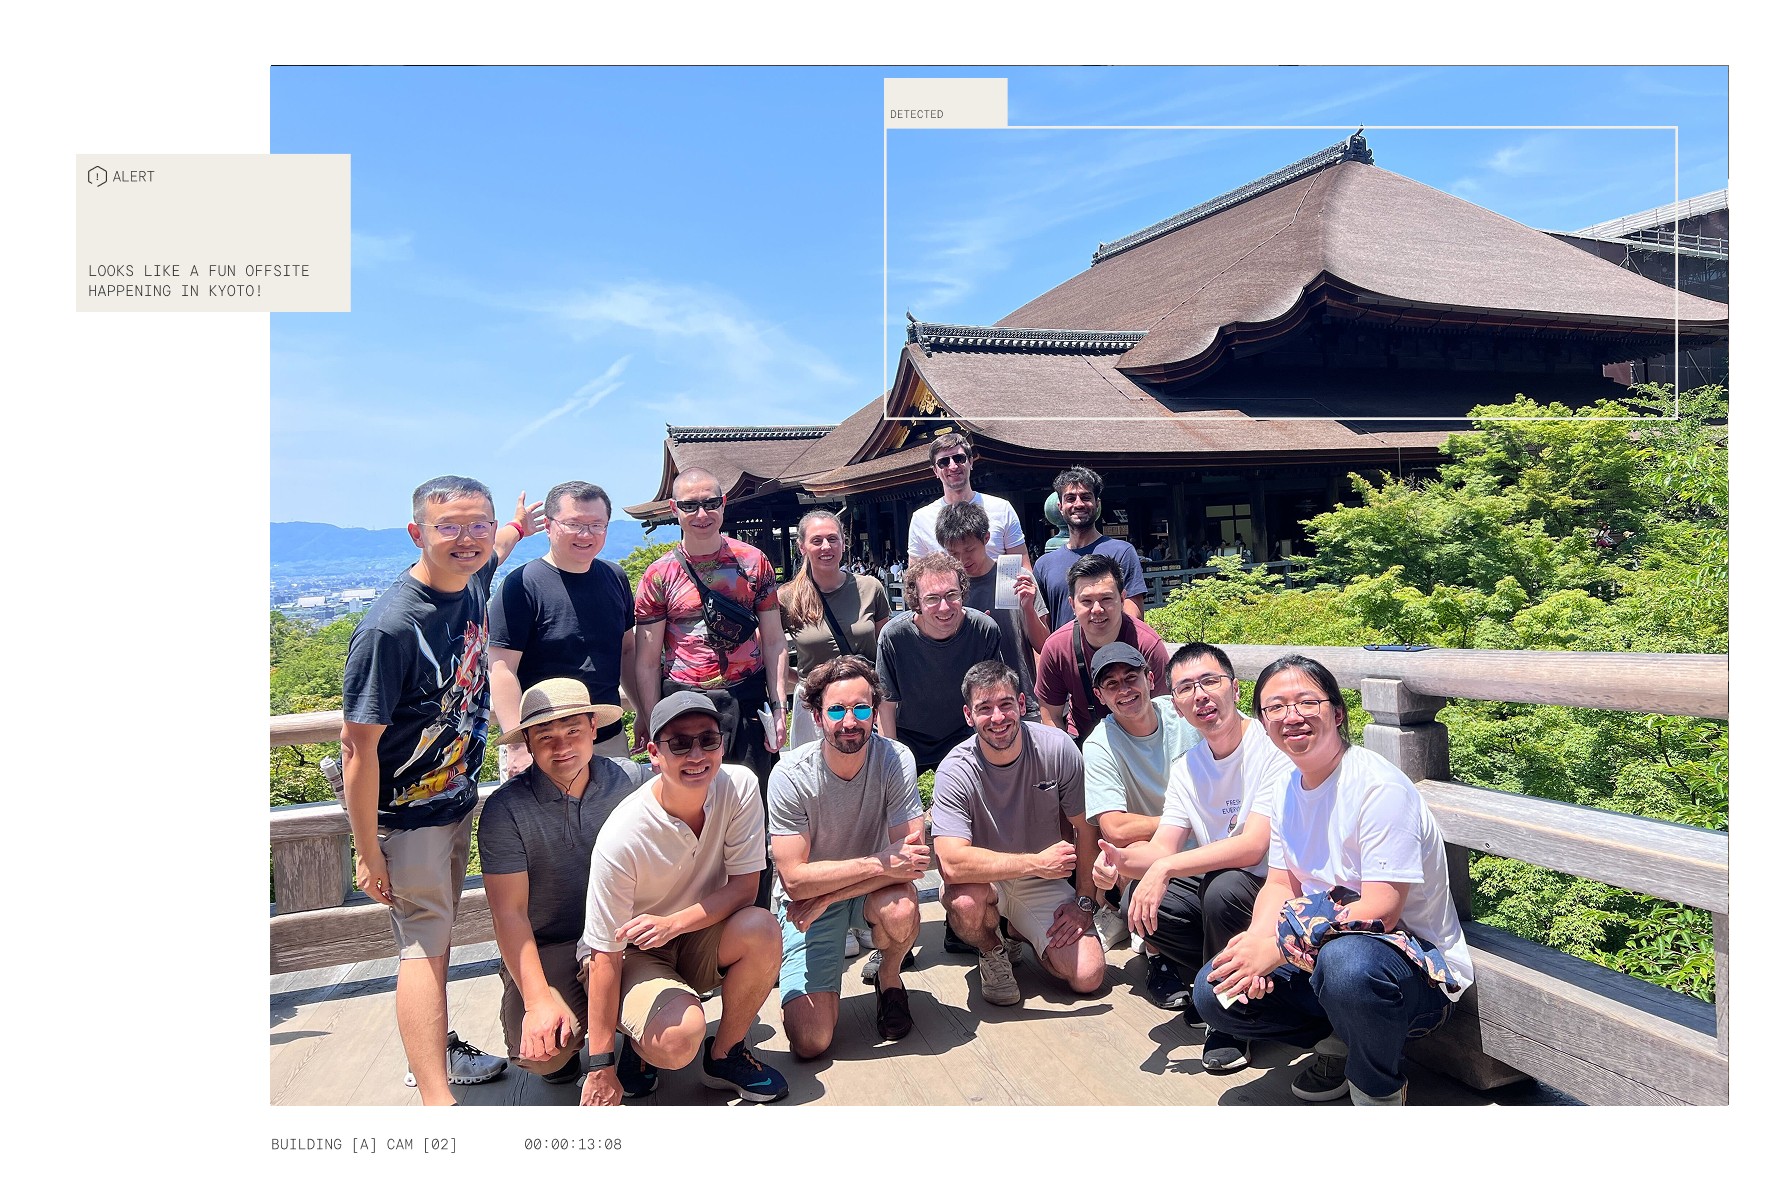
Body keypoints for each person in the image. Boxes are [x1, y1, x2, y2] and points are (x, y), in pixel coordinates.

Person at [1195, 655, 1474, 1106]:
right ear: (1264, 724)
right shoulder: (1286, 786)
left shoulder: (1377, 787)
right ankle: (1340, 1035)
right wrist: (1253, 944)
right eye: (1276, 708)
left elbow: (1381, 911)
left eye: (1307, 701)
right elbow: (1281, 884)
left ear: (1338, 713)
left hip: (1412, 967)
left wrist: (1278, 949)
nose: (1292, 716)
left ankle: (1376, 1088)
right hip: (1324, 951)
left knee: (1347, 966)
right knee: (1215, 990)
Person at [340, 475, 537, 1104]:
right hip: (409, 816)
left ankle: (436, 1050)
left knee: (438, 939)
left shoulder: (474, 575)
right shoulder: (390, 628)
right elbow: (356, 748)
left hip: (454, 798)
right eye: (448, 526)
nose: (467, 537)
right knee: (424, 945)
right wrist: (368, 851)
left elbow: (499, 545)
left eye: (476, 523)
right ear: (416, 532)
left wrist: (514, 527)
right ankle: (436, 1100)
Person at [577, 691, 790, 1105]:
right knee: (678, 1039)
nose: (697, 754)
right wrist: (599, 1065)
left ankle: (726, 1054)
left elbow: (747, 887)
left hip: (692, 932)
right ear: (654, 753)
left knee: (762, 927)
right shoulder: (622, 835)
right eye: (680, 743)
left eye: (708, 740)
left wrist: (672, 924)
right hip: (630, 952)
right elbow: (603, 954)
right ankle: (639, 1051)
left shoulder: (740, 786)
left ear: (722, 744)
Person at [1091, 642, 1286, 1073]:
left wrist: (1164, 866)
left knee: (1223, 887)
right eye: (1186, 688)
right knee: (1142, 898)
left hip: (1282, 890)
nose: (1200, 695)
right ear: (1175, 705)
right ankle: (1215, 980)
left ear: (1235, 689)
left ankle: (1230, 1016)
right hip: (1230, 893)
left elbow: (1254, 846)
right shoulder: (1188, 767)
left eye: (1209, 682)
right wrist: (1118, 862)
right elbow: (1163, 846)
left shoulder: (1271, 748)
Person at [480, 679, 649, 1085]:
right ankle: (569, 1042)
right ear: (527, 742)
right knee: (544, 1055)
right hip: (549, 943)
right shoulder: (506, 810)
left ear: (594, 727)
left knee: (669, 1035)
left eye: (573, 730)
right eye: (545, 736)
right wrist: (537, 1002)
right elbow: (510, 913)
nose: (562, 746)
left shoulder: (632, 783)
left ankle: (642, 1050)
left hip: (624, 938)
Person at [633, 467, 789, 900]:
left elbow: (774, 642)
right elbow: (648, 661)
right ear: (674, 510)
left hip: (745, 694)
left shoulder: (753, 562)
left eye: (710, 503)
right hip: (684, 701)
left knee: (752, 806)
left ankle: (754, 912)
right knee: (689, 810)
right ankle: (695, 915)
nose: (701, 513)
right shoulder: (659, 575)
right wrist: (649, 718)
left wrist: (779, 708)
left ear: (723, 505)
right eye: (689, 505)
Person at [770, 655, 928, 1053]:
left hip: (850, 894)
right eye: (837, 709)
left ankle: (889, 978)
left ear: (875, 712)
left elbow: (910, 863)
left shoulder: (895, 758)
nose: (849, 721)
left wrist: (829, 895)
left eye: (861, 708)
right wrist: (880, 861)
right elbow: (794, 879)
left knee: (902, 909)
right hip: (807, 903)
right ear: (816, 714)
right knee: (810, 1041)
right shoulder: (789, 775)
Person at [932, 661, 1107, 1006]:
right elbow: (951, 863)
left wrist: (1085, 902)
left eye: (1005, 704)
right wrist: (1034, 863)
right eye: (984, 708)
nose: (997, 717)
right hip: (986, 880)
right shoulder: (955, 769)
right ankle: (991, 948)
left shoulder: (1057, 748)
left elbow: (1086, 829)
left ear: (1022, 703)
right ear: (969, 716)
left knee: (1088, 976)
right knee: (965, 904)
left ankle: (1015, 930)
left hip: (1042, 878)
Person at [490, 480, 637, 777]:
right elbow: (501, 668)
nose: (586, 535)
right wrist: (517, 746)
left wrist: (644, 712)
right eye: (574, 524)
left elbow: (627, 650)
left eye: (597, 525)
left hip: (607, 738)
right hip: (544, 745)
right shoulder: (522, 585)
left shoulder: (615, 577)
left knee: (615, 823)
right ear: (548, 525)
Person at [1077, 641, 1202, 954]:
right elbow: (1115, 829)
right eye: (1111, 684)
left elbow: (1239, 731)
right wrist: (1188, 817)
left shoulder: (1184, 712)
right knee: (1132, 850)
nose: (1124, 690)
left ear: (1149, 679)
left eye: (1131, 678)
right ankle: (1157, 954)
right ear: (1100, 697)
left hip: (1213, 842)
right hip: (1155, 852)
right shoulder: (1100, 744)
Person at [875, 551, 1006, 774]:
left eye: (952, 595)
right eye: (932, 599)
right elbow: (886, 706)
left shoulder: (984, 630)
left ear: (963, 593)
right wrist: (893, 763)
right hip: (909, 737)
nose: (944, 607)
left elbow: (990, 695)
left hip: (962, 734)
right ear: (916, 601)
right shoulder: (894, 636)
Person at [778, 509, 893, 750]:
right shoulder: (788, 597)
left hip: (863, 703)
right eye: (816, 541)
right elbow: (767, 650)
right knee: (815, 778)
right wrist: (800, 679)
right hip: (814, 705)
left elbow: (887, 651)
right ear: (802, 547)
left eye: (832, 539)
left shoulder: (870, 588)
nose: (826, 547)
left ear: (844, 542)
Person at [1034, 554, 1171, 743]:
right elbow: (1050, 716)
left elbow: (1166, 712)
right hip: (1083, 738)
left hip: (1142, 740)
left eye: (1106, 598)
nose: (1097, 609)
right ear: (1072, 604)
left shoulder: (1147, 645)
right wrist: (1067, 758)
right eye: (1086, 601)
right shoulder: (1057, 648)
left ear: (1122, 599)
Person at [936, 499, 1050, 711]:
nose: (962, 560)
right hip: (969, 705)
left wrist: (1028, 609)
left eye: (969, 549)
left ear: (986, 538)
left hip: (1020, 698)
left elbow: (1044, 645)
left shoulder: (1016, 577)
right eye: (953, 553)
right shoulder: (947, 591)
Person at [1033, 466, 1148, 627]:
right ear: (1060, 507)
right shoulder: (1044, 565)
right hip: (1065, 652)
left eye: (1086, 497)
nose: (1078, 504)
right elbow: (1044, 626)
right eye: (1070, 498)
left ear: (1097, 504)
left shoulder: (1122, 552)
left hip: (1112, 651)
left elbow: (1133, 617)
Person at [905, 432, 1033, 566]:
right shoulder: (921, 518)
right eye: (944, 462)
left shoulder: (1002, 508)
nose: (953, 466)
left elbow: (1023, 567)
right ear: (935, 471)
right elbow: (915, 576)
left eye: (959, 458)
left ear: (970, 462)